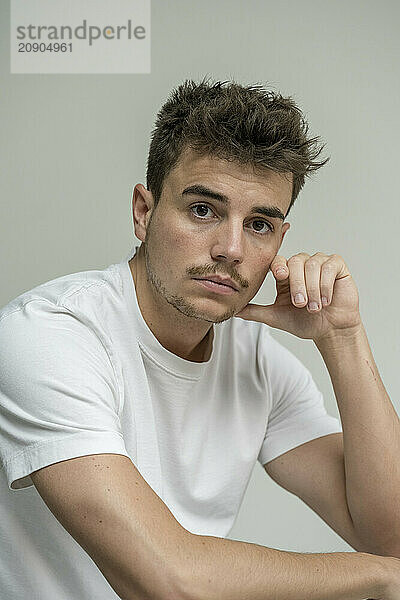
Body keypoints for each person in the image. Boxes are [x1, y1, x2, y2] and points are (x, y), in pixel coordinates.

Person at [0, 77, 399, 600]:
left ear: (281, 239)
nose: (231, 249)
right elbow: (168, 581)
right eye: (204, 210)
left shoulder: (255, 360)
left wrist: (342, 338)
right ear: (144, 212)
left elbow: (389, 534)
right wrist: (382, 577)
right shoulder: (49, 334)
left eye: (258, 224)